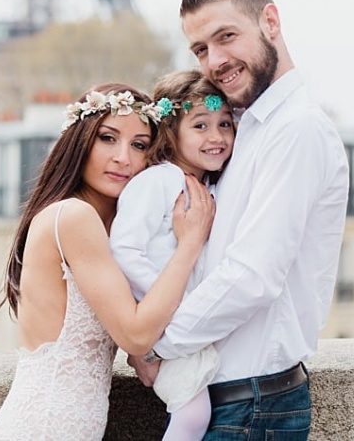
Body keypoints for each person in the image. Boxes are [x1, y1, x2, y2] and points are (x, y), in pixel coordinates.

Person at [128, 0, 350, 440]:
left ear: (270, 21)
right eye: (200, 49)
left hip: (252, 405)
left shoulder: (296, 131)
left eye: (226, 36)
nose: (214, 61)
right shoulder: (242, 131)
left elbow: (252, 276)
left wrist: (155, 341)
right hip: (227, 400)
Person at [0, 82, 216, 441]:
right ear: (80, 141)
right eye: (108, 138)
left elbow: (129, 325)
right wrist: (191, 243)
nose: (123, 157)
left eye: (139, 145)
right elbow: (137, 334)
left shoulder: (105, 230)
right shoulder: (73, 217)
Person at [110, 70, 234, 440]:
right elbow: (125, 249)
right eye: (200, 125)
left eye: (225, 124)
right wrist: (168, 301)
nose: (216, 137)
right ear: (171, 131)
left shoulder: (209, 185)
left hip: (187, 324)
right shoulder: (157, 181)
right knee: (194, 415)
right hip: (167, 322)